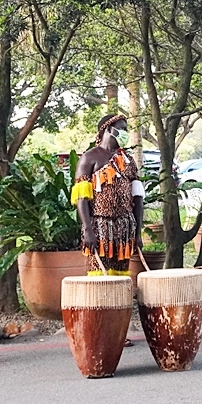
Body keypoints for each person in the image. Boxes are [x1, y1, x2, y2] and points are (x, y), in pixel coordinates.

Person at [72, 114, 145, 344]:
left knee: (121, 279)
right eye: (121, 128)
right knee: (99, 278)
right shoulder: (89, 158)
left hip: (124, 227)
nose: (124, 131)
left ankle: (117, 330)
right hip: (99, 226)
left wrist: (138, 231)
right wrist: (87, 230)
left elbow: (138, 197)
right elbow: (81, 199)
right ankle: (98, 329)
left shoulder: (128, 160)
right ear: (108, 129)